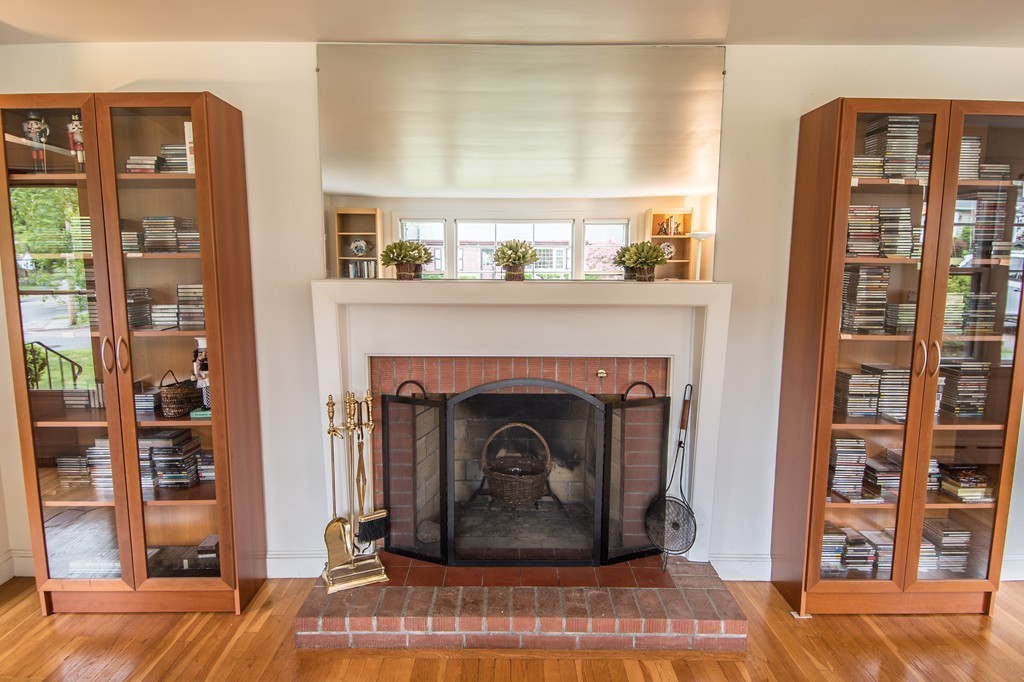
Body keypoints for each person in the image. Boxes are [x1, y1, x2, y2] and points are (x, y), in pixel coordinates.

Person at [192, 338, 210, 409]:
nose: (204, 356)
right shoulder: (198, 365)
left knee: (209, 392)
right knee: (204, 392)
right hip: (202, 381)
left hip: (210, 381)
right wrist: (195, 377)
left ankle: (209, 404)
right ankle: (206, 404)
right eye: (200, 354)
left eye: (206, 353)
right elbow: (197, 374)